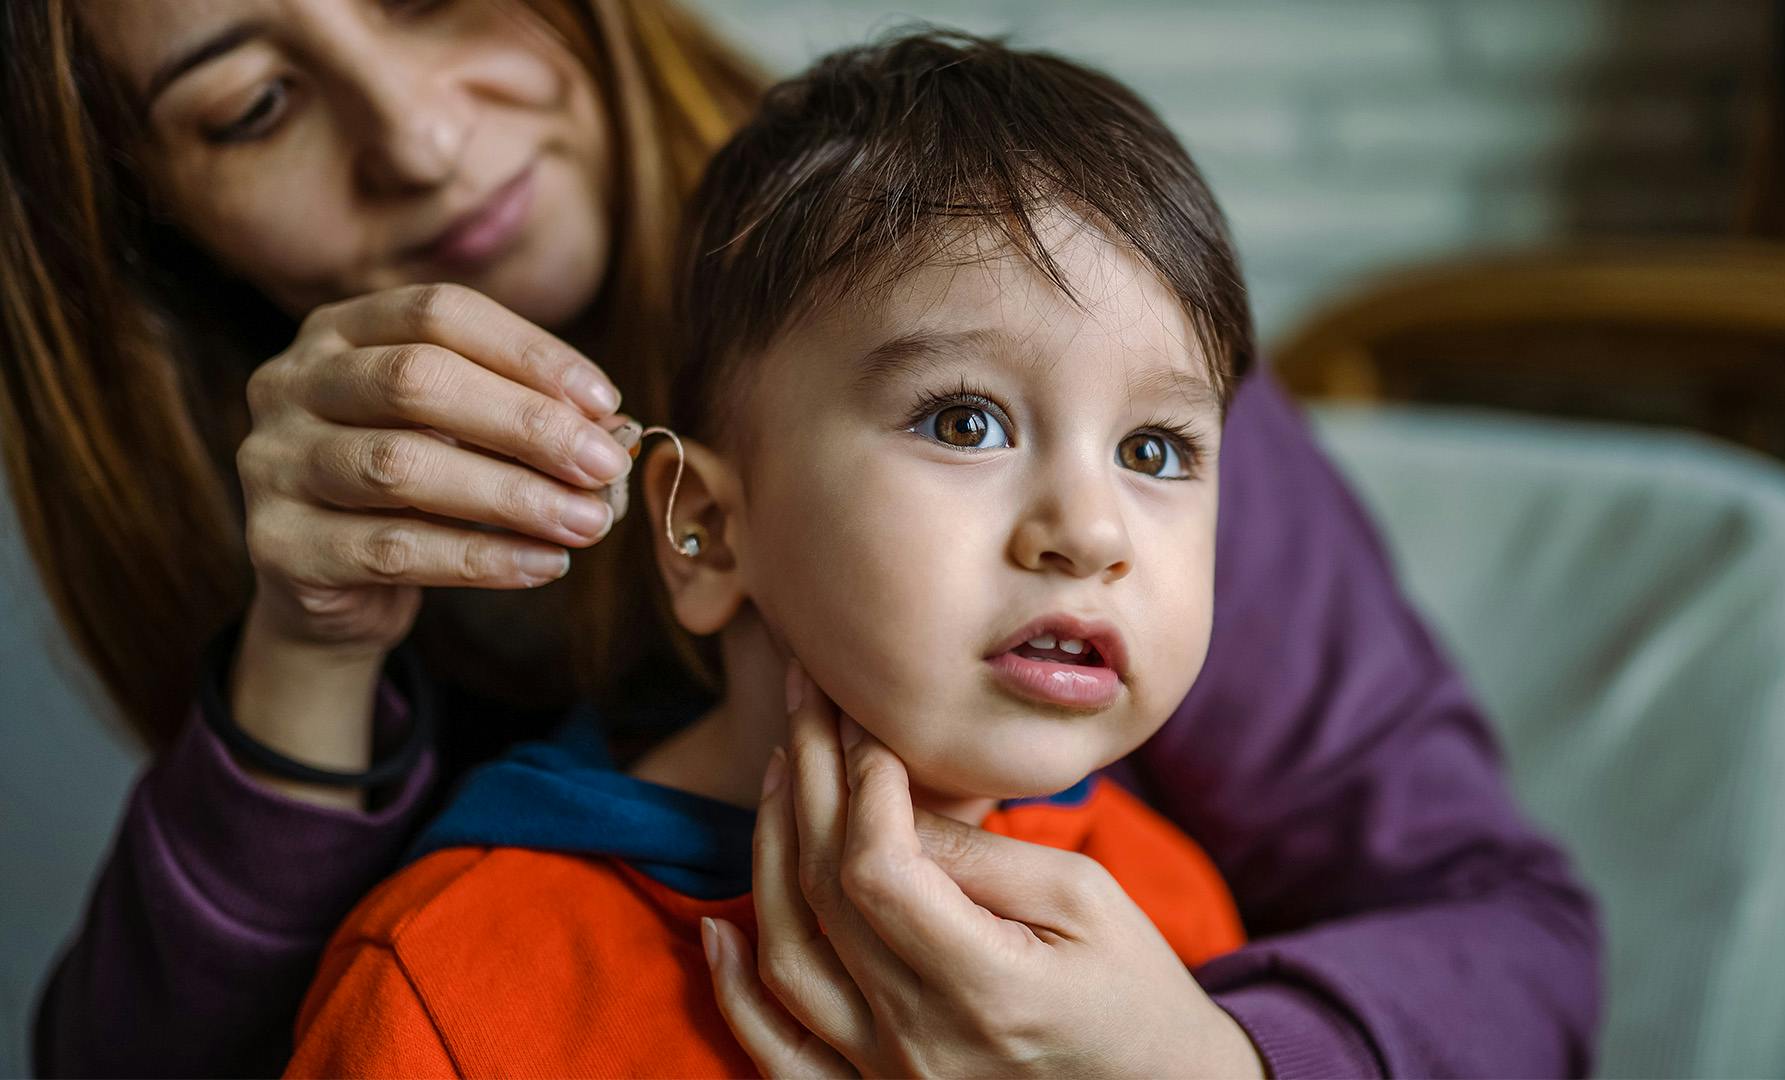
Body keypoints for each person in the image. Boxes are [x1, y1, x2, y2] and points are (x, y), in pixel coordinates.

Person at [3, 1, 1599, 1076]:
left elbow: (1512, 937)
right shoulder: (446, 973)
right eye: (256, 102)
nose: (418, 137)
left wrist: (1216, 1061)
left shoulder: (1072, 290)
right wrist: (302, 662)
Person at [287, 31, 1260, 1076]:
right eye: (965, 423)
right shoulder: (441, 985)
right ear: (704, 530)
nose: (1093, 532)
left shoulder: (1159, 924)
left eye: (1154, 449)